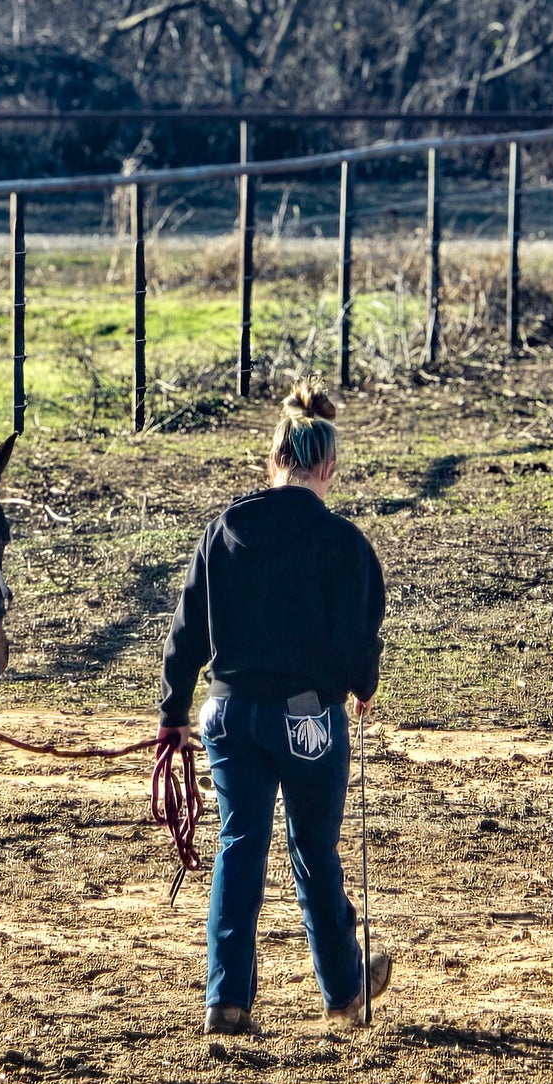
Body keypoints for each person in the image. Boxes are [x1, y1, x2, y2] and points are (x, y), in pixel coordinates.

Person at [156, 375, 389, 1035]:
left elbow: (185, 630)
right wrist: (364, 687)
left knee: (239, 844)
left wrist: (171, 712)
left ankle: (225, 1000)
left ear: (274, 459)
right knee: (313, 848)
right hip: (308, 717)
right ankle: (343, 989)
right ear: (328, 467)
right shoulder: (344, 544)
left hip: (228, 713)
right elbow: (359, 638)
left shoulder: (224, 529)